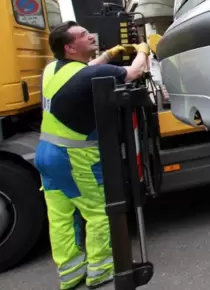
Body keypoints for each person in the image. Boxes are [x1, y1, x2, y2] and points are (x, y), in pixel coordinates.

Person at [35, 21, 150, 289]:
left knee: (61, 218)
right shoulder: (86, 76)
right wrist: (143, 50)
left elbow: (84, 71)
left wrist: (109, 55)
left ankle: (71, 273)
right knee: (99, 212)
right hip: (73, 159)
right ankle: (100, 270)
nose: (90, 36)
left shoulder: (52, 69)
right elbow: (133, 73)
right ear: (70, 46)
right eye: (83, 35)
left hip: (46, 154)